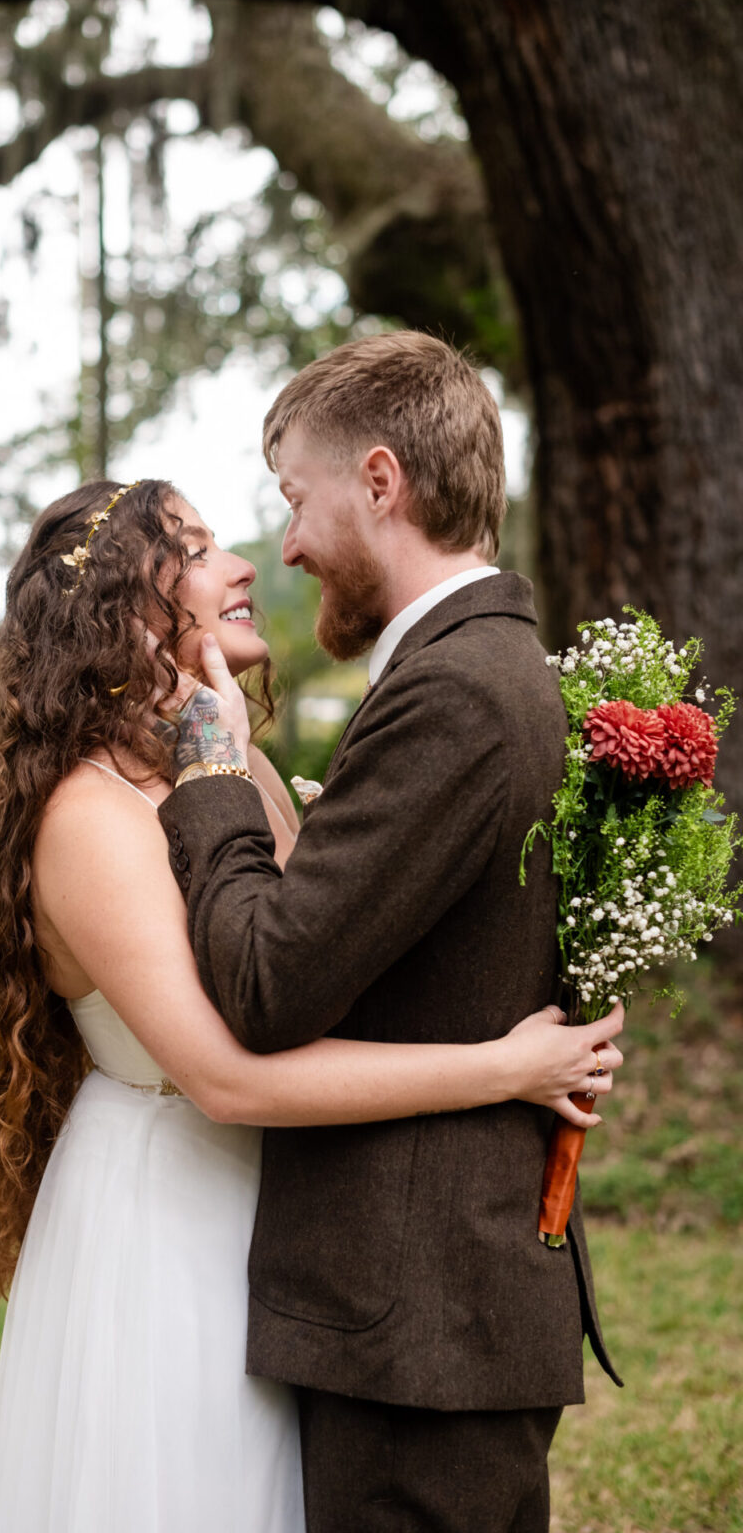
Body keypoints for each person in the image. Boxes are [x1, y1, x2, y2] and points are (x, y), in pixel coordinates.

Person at [0, 475, 624, 1533]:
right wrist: (506, 1068)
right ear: (124, 605)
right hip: (170, 1218)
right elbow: (222, 1076)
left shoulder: (230, 762)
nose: (247, 564)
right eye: (198, 551)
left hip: (297, 1219)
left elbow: (306, 977)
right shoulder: (88, 815)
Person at [158, 331, 623, 1533]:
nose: (292, 548)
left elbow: (265, 983)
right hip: (444, 1306)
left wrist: (210, 769)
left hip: (419, 1318)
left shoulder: (454, 693)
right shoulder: (497, 670)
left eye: (294, 502)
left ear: (378, 482)